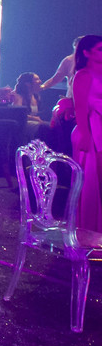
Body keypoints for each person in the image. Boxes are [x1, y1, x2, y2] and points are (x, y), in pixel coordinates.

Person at [70, 35, 102, 241]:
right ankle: (89, 233)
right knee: (92, 181)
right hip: (91, 129)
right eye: (100, 49)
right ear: (86, 52)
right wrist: (84, 133)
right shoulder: (83, 75)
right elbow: (80, 107)